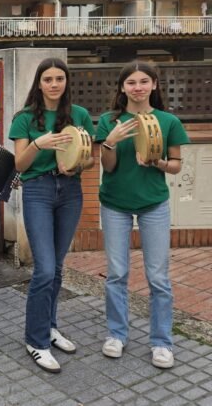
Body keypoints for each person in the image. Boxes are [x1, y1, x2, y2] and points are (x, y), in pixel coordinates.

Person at [97, 61, 188, 369]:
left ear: (154, 85)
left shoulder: (168, 121)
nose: (138, 87)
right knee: (117, 274)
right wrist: (111, 140)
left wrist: (156, 163)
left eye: (143, 81)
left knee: (159, 277)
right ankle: (116, 335)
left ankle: (162, 342)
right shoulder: (110, 121)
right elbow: (107, 166)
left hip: (154, 204)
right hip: (114, 204)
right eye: (131, 82)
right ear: (122, 87)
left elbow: (176, 164)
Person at [8, 58, 95, 373]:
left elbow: (89, 159)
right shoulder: (25, 118)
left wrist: (74, 165)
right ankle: (35, 340)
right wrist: (38, 143)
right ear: (39, 83)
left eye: (60, 78)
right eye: (48, 79)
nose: (54, 84)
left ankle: (49, 326)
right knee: (44, 269)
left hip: (70, 191)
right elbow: (19, 165)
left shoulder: (80, 115)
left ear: (66, 82)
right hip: (38, 191)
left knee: (57, 268)